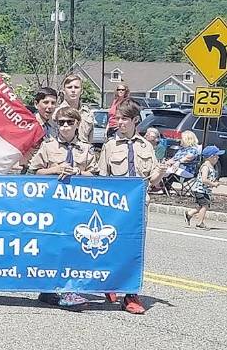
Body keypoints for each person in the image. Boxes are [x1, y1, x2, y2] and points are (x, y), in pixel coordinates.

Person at [98, 98, 166, 314]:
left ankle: (130, 295)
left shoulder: (146, 146)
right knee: (113, 246)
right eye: (117, 118)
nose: (119, 122)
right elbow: (102, 179)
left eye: (124, 119)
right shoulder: (109, 146)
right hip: (115, 207)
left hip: (138, 207)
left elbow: (152, 180)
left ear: (136, 120)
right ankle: (111, 283)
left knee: (135, 250)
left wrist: (161, 172)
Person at [29, 107, 97, 309]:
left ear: (77, 124)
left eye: (69, 122)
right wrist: (55, 169)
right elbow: (34, 171)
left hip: (77, 206)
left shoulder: (85, 149)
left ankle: (69, 288)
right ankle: (49, 289)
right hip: (52, 206)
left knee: (74, 246)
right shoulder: (48, 146)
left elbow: (96, 176)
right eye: (61, 122)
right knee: (52, 245)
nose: (65, 126)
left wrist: (78, 171)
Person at [185, 146, 224, 230]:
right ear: (211, 157)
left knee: (202, 205)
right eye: (216, 156)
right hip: (200, 190)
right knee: (205, 206)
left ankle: (189, 213)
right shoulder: (206, 167)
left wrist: (215, 182)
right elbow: (204, 179)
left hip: (205, 190)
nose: (218, 157)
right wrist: (213, 184)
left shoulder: (211, 166)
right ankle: (199, 223)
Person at [56, 74, 94, 144]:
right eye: (69, 87)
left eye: (76, 87)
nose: (73, 90)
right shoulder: (56, 113)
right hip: (62, 151)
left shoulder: (88, 113)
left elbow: (90, 140)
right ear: (64, 91)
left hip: (82, 152)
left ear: (81, 91)